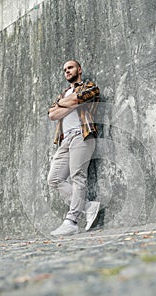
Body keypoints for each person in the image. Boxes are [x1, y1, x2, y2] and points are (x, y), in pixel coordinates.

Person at [47, 60, 100, 236]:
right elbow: (52, 114)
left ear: (79, 69)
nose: (67, 71)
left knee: (78, 176)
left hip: (82, 134)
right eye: (64, 70)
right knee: (54, 179)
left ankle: (72, 221)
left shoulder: (89, 85)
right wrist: (72, 103)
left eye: (70, 68)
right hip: (65, 139)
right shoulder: (63, 93)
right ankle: (88, 206)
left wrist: (67, 103)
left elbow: (83, 97)